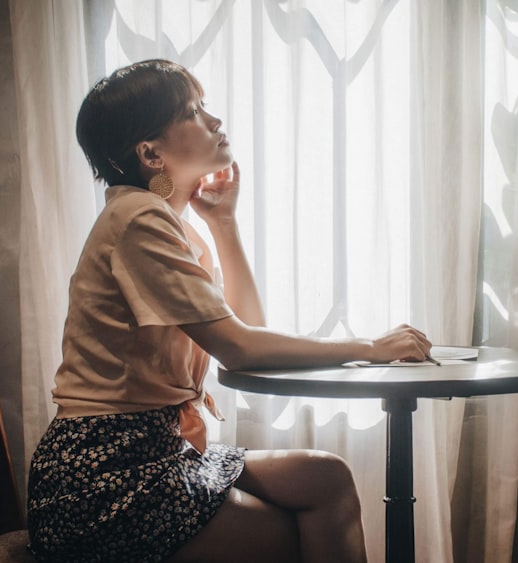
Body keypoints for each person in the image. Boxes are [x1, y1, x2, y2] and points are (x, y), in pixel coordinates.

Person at [26, 59, 433, 563]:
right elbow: (240, 350)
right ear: (150, 152)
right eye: (193, 112)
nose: (215, 121)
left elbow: (249, 333)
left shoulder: (166, 221)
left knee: (326, 477)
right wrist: (370, 348)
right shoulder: (137, 218)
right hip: (103, 477)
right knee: (290, 533)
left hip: (151, 451)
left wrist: (223, 224)